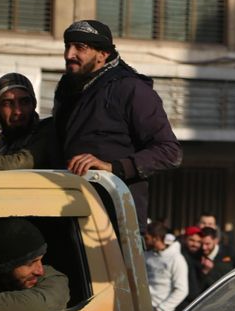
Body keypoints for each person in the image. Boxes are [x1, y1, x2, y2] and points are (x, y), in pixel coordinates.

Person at [54, 20, 182, 232]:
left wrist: (113, 168)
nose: (69, 54)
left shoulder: (131, 89)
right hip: (70, 216)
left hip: (116, 224)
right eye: (67, 46)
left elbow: (170, 152)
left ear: (102, 54)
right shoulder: (68, 89)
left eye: (80, 48)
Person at [144, 221, 188, 311]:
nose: (144, 241)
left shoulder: (176, 259)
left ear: (156, 238)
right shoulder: (147, 255)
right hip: (145, 308)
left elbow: (182, 290)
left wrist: (160, 310)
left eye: (147, 238)